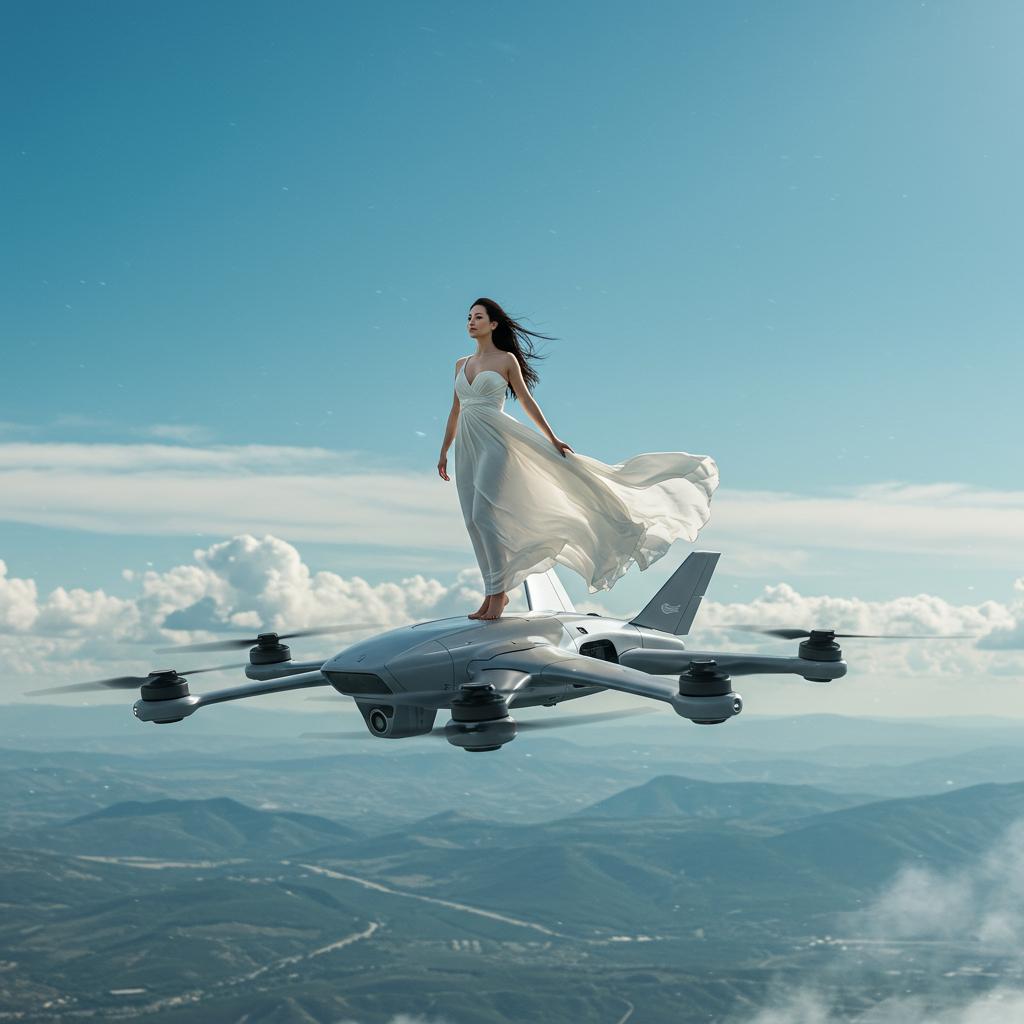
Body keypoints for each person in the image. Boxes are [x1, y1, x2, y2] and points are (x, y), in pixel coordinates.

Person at [437, 297, 719, 621]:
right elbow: (456, 410)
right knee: (472, 520)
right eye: (469, 317)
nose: (471, 322)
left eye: (478, 317)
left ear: (494, 324)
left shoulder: (506, 360)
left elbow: (527, 402)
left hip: (496, 441)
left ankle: (498, 595)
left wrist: (552, 438)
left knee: (484, 515)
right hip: (467, 446)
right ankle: (490, 595)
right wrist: (444, 450)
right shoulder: (461, 365)